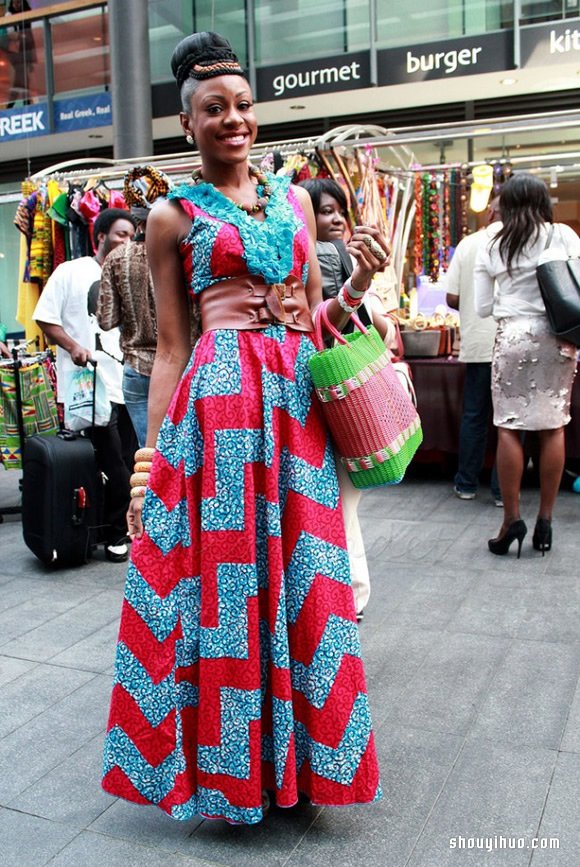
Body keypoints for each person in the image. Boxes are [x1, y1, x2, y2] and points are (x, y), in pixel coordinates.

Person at [102, 31, 387, 824]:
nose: (234, 119)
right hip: (220, 411)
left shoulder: (293, 202)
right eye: (214, 108)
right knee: (229, 586)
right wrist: (150, 462)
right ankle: (236, 775)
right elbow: (171, 347)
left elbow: (315, 319)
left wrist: (359, 282)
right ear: (187, 122)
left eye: (243, 106)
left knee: (309, 576)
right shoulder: (171, 216)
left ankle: (309, 768)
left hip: (296, 407)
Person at [299, 176, 394, 621]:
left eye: (340, 210)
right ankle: (350, 595)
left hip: (337, 392)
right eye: (325, 211)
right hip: (336, 391)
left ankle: (349, 596)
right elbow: (381, 330)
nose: (336, 219)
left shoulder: (340, 257)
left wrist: (361, 288)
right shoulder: (327, 258)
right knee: (341, 502)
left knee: (339, 502)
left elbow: (376, 328)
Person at [474, 172, 580, 557]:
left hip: (513, 336)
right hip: (558, 336)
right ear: (543, 202)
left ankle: (511, 520)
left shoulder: (492, 242)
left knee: (508, 427)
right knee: (553, 427)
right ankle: (546, 522)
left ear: (505, 205)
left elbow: (482, 306)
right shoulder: (562, 235)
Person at [33, 208, 138, 563]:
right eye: (121, 234)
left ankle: (119, 527)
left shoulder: (131, 273)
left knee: (129, 460)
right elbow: (45, 318)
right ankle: (115, 534)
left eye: (132, 236)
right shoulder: (71, 271)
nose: (127, 241)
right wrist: (74, 347)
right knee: (113, 462)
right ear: (100, 237)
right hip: (89, 386)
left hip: (128, 382)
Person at [97, 166, 172, 448]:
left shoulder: (117, 258)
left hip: (137, 368)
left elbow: (106, 320)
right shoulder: (180, 252)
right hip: (179, 367)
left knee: (149, 453)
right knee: (185, 453)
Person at [445, 197, 502, 506]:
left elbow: (452, 297)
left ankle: (466, 483)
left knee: (474, 416)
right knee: (510, 422)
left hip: (479, 343)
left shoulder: (469, 244)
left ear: (490, 213)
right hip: (515, 344)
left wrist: (472, 302)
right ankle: (503, 491)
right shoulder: (524, 241)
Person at [6, 0, 35, 106]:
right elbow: (11, 33)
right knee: (21, 77)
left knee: (22, 77)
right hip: (15, 51)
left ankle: (14, 103)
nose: (16, 5)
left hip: (26, 49)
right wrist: (21, 36)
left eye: (18, 3)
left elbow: (30, 35)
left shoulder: (26, 12)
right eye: (14, 3)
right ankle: (17, 103)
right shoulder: (9, 14)